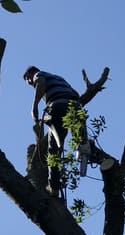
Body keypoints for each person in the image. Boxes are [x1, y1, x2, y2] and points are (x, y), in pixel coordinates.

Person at [23, 66, 85, 196]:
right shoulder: (59, 78)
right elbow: (76, 94)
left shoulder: (39, 74)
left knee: (54, 151)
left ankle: (54, 187)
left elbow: (40, 83)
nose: (29, 83)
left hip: (57, 105)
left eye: (27, 79)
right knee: (78, 139)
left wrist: (34, 106)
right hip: (75, 106)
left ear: (30, 73)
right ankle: (83, 148)